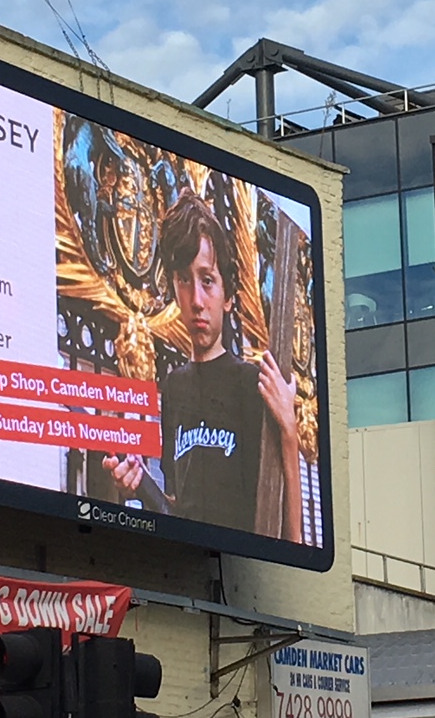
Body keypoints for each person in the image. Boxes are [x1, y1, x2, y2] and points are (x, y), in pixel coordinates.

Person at [102, 192, 304, 539]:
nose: (196, 300)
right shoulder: (174, 387)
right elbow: (180, 508)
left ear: (228, 296)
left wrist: (289, 432)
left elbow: (292, 536)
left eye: (207, 280)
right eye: (184, 280)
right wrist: (138, 486)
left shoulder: (253, 382)